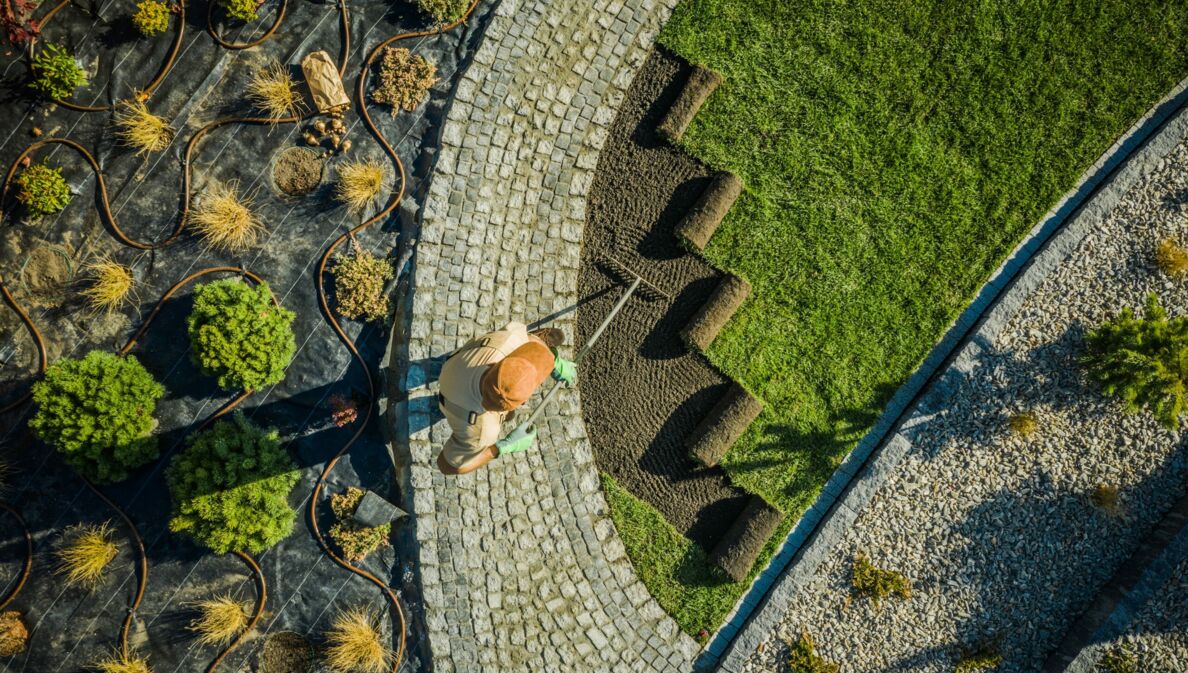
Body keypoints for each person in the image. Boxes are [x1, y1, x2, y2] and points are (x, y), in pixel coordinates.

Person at [435, 321, 577, 475]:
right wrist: (499, 448)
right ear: (523, 402)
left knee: (524, 339)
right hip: (452, 406)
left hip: (455, 368)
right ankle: (506, 414)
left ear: (495, 365)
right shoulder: (484, 432)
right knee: (508, 417)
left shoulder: (505, 343)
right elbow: (446, 466)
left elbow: (524, 340)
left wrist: (551, 361)